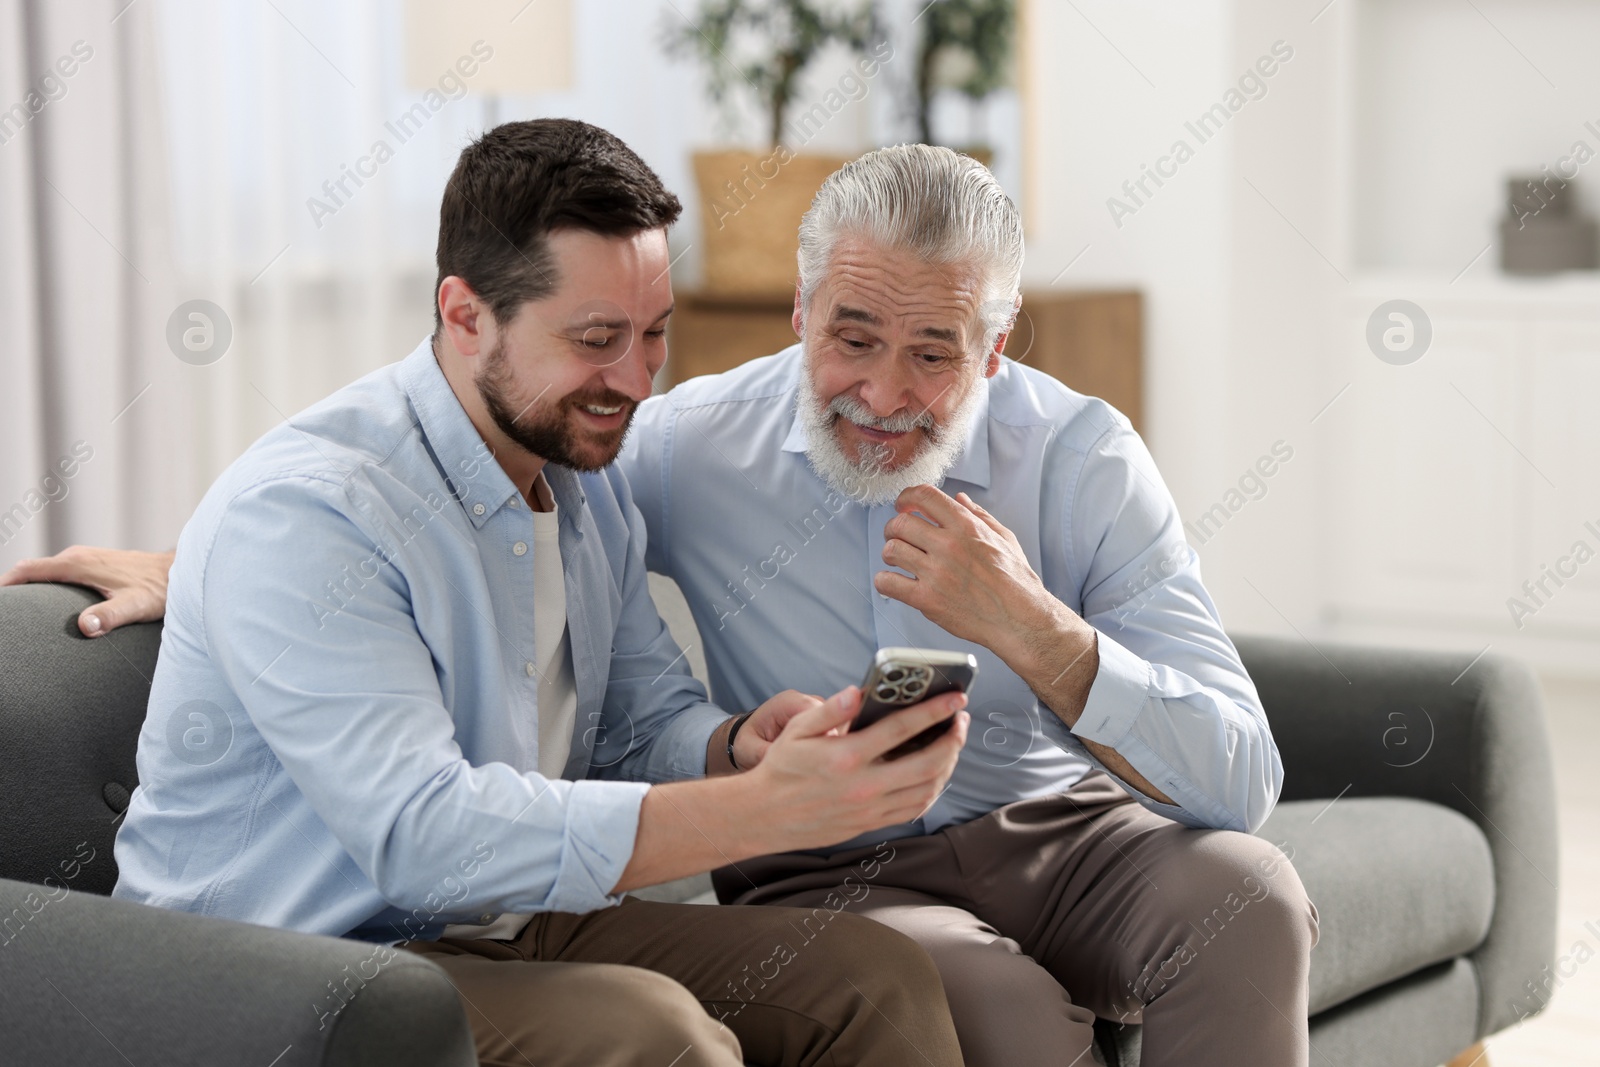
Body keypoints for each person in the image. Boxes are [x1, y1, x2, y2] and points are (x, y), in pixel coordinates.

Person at [6, 142, 1319, 1066]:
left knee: (1212, 908)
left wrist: (753, 741)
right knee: (722, 1028)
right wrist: (207, 565)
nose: (632, 382)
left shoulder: (594, 469)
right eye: (852, 336)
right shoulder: (654, 447)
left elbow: (641, 709)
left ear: (998, 347)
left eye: (651, 340)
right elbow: (407, 793)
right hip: (311, 943)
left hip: (1048, 825)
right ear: (800, 311)